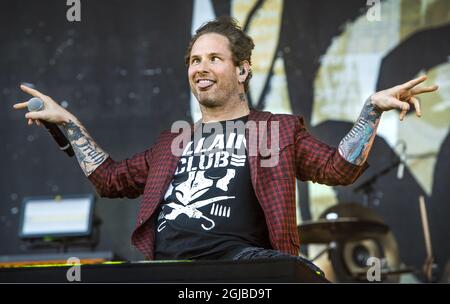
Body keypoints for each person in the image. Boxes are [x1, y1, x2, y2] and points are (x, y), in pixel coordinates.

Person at [13, 17, 438, 277]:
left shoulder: (276, 130)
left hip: (242, 270)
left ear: (243, 70)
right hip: (169, 271)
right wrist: (67, 123)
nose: (200, 68)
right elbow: (110, 179)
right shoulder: (172, 142)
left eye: (213, 59)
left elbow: (338, 169)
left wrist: (370, 112)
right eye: (194, 61)